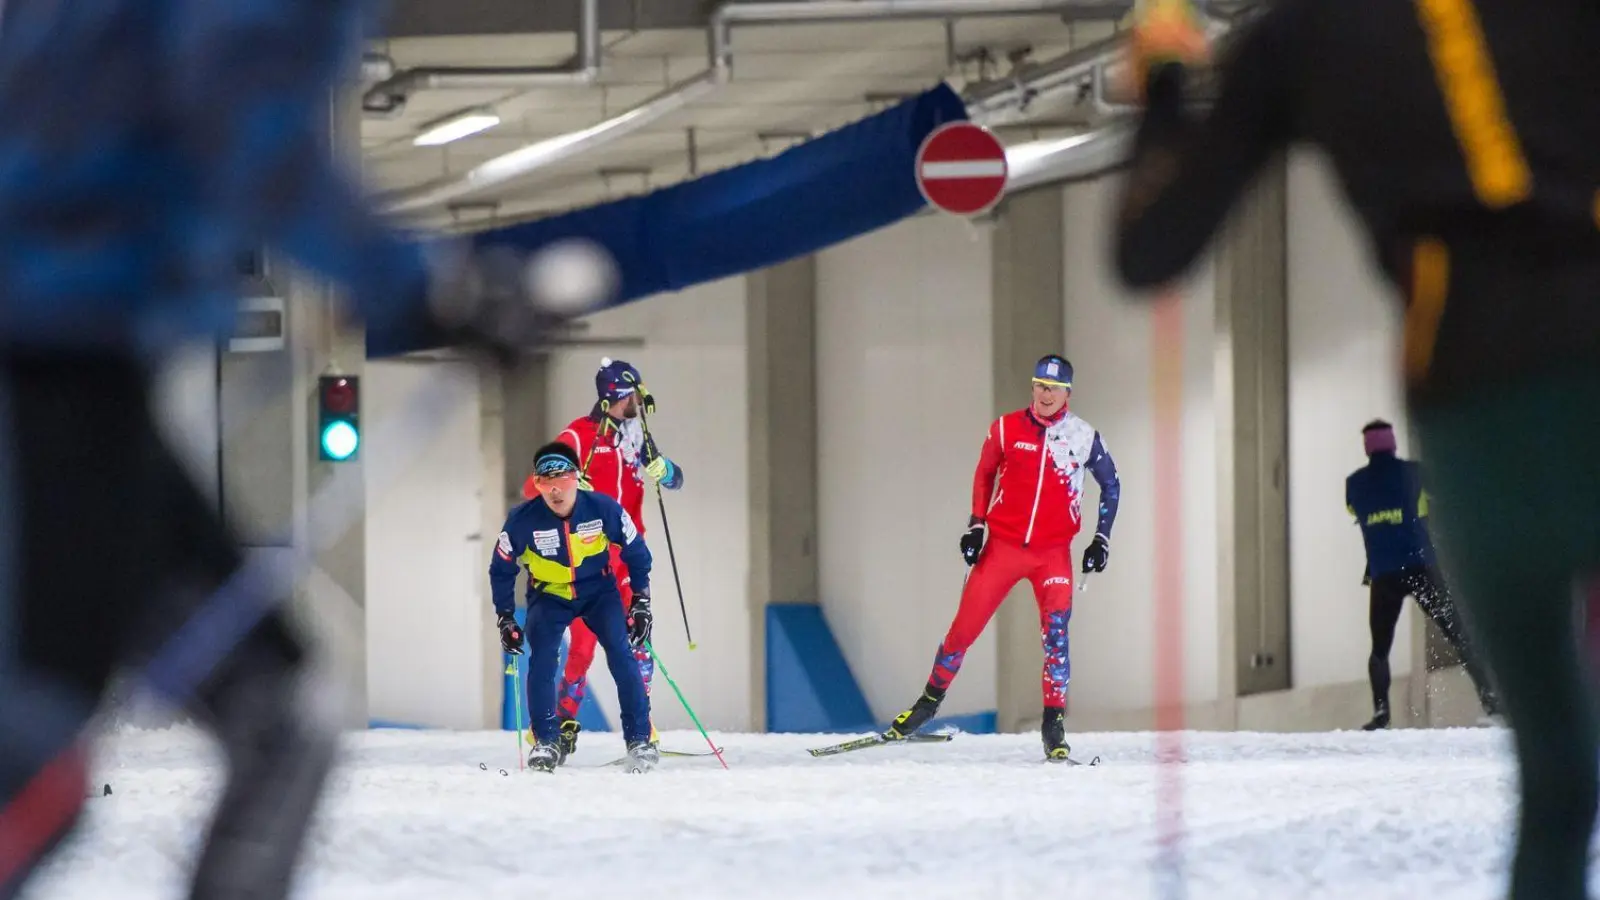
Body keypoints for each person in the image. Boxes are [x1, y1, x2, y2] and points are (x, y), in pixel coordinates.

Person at [0, 0, 612, 896]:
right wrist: (424, 289)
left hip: (91, 356)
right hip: (45, 363)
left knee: (278, 715)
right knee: (38, 770)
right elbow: (249, 124)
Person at [1110, 0, 1600, 895]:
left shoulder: (1300, 38)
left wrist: (1167, 90)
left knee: (1561, 783)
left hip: (1482, 407)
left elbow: (1152, 248)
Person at [884, 354, 1121, 761]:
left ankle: (1054, 725)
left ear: (1067, 393)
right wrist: (976, 526)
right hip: (1003, 548)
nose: (1046, 395)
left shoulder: (1084, 437)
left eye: (1055, 389)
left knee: (1056, 636)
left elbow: (1112, 485)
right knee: (963, 629)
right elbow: (984, 471)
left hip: (1052, 555)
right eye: (1040, 387)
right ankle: (927, 703)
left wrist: (1101, 539)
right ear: (1032, 388)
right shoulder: (1006, 428)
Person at [521, 357, 683, 760]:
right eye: (633, 396)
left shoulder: (636, 437)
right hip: (589, 556)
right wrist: (568, 482)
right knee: (584, 645)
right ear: (616, 396)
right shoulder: (578, 436)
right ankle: (560, 722)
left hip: (629, 553)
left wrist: (665, 471)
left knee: (638, 636)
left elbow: (677, 479)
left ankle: (641, 728)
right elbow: (531, 487)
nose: (639, 403)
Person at [495, 442, 658, 773]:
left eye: (563, 481)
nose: (555, 491)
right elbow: (501, 569)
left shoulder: (602, 508)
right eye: (546, 483)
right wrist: (505, 617)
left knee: (621, 654)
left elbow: (637, 552)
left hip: (599, 591)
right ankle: (547, 740)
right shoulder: (522, 520)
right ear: (537, 485)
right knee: (542, 659)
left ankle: (639, 739)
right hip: (549, 596)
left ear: (577, 480)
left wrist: (641, 601)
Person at [1346, 419, 1497, 730]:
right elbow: (1445, 496)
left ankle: (1381, 714)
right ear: (1392, 443)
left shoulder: (1354, 483)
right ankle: (1492, 702)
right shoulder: (1414, 473)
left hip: (1383, 574)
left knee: (1380, 647)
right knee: (1459, 633)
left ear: (1367, 447)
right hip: (1420, 567)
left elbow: (1353, 511)